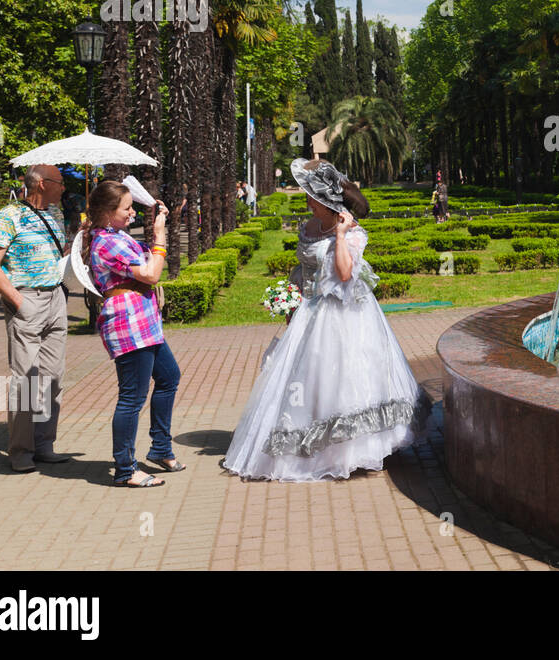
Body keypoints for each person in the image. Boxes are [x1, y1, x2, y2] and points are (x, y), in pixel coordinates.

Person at [222, 159, 431, 481]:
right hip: (310, 311)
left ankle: (356, 450)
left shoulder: (354, 233)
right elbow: (303, 267)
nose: (306, 200)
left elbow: (345, 273)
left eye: (311, 196)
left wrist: (342, 235)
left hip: (347, 314)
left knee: (348, 377)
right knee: (311, 378)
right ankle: (317, 445)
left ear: (326, 201)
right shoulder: (308, 227)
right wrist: (290, 298)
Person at [83, 181, 182, 486]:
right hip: (128, 325)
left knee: (169, 377)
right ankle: (126, 469)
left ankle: (160, 448)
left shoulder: (115, 235)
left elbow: (148, 263)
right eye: (126, 208)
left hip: (144, 322)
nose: (131, 213)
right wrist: (160, 235)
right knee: (132, 398)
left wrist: (155, 230)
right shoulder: (106, 242)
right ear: (107, 212)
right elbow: (152, 272)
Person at [0, 164, 71, 473]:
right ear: (43, 184)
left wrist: (78, 244)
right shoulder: (10, 215)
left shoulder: (57, 214)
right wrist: (19, 301)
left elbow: (57, 253)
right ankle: (20, 452)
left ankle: (44, 446)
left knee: (52, 378)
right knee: (27, 381)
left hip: (56, 298)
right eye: (60, 182)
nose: (64, 188)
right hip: (26, 298)